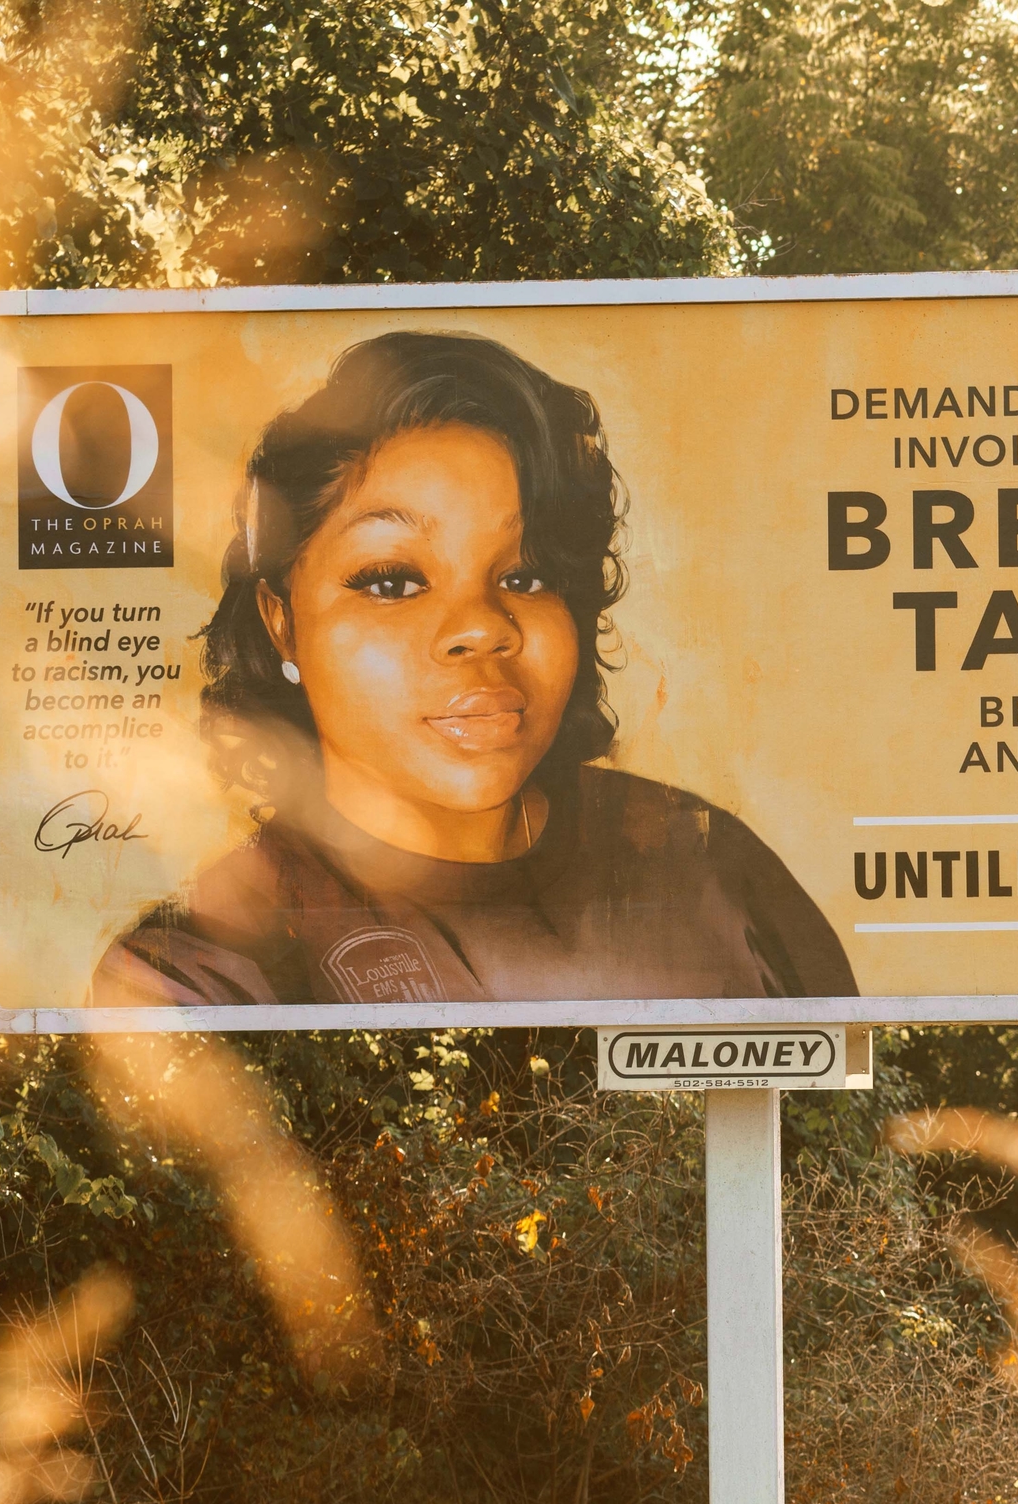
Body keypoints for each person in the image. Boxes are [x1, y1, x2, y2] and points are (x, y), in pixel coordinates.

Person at [96, 331, 856, 1008]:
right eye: (392, 580)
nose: (482, 628)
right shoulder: (197, 974)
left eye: (528, 575)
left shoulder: (705, 863)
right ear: (282, 624)